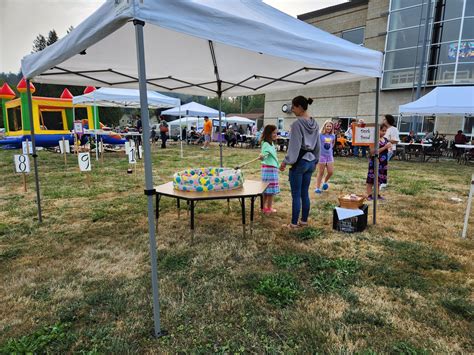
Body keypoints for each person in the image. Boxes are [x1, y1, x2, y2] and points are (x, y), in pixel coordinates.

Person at [279, 96, 320, 229]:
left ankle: (294, 223)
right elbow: (317, 145)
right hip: (310, 161)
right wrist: (316, 161)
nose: (292, 109)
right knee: (304, 193)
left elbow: (294, 146)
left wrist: (286, 161)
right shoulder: (315, 123)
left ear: (300, 107)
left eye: (293, 106)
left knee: (296, 195)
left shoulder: (297, 124)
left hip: (300, 162)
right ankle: (304, 220)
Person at [366, 124, 392, 201]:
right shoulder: (373, 139)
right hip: (374, 161)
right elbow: (372, 152)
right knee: (371, 178)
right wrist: (385, 147)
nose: (384, 132)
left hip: (383, 163)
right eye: (382, 130)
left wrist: (389, 148)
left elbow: (387, 150)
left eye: (385, 131)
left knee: (379, 179)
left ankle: (377, 194)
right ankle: (369, 194)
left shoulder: (386, 139)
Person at [259, 125, 280, 214]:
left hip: (272, 169)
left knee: (270, 191)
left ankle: (268, 207)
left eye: (276, 133)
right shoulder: (266, 143)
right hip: (268, 169)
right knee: (267, 190)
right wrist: (262, 157)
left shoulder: (271, 143)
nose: (276, 134)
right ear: (269, 133)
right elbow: (265, 155)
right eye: (274, 133)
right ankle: (264, 208)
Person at [315, 120, 335, 194]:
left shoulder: (333, 136)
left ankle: (325, 182)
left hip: (329, 156)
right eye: (327, 126)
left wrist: (329, 150)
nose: (329, 127)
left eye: (330, 126)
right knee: (321, 172)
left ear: (332, 127)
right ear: (324, 126)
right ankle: (317, 188)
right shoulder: (320, 135)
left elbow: (332, 144)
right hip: (321, 156)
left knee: (330, 172)